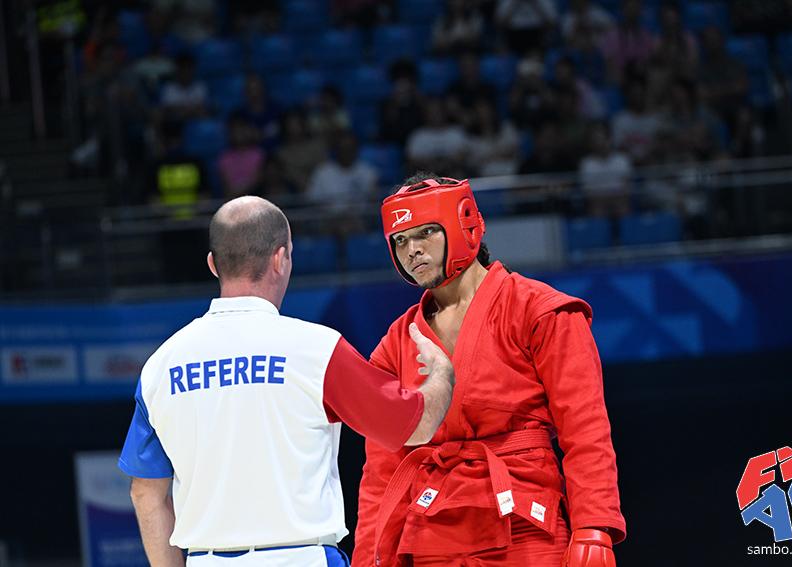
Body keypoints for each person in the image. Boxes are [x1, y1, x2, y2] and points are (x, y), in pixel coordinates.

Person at [118, 196, 456, 566]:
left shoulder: (160, 365)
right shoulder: (317, 350)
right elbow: (415, 427)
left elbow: (145, 493)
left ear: (213, 264)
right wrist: (441, 372)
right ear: (281, 259)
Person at [353, 175, 626, 566]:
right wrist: (369, 558)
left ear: (464, 224)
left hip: (525, 526)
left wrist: (594, 527)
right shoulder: (395, 345)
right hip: (431, 535)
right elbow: (381, 469)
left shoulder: (540, 311)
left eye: (425, 232)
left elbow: (585, 428)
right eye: (400, 240)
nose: (412, 250)